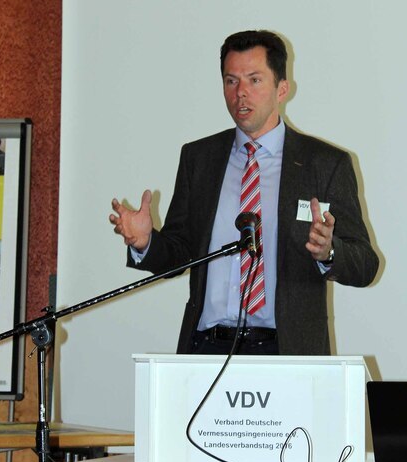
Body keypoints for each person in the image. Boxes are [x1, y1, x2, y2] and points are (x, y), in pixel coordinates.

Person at [109, 29, 379, 356]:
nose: (241, 93)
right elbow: (180, 253)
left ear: (282, 89)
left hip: (287, 352)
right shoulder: (199, 159)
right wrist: (146, 242)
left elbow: (366, 265)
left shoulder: (324, 163)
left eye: (254, 80)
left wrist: (330, 252)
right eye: (231, 81)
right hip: (207, 349)